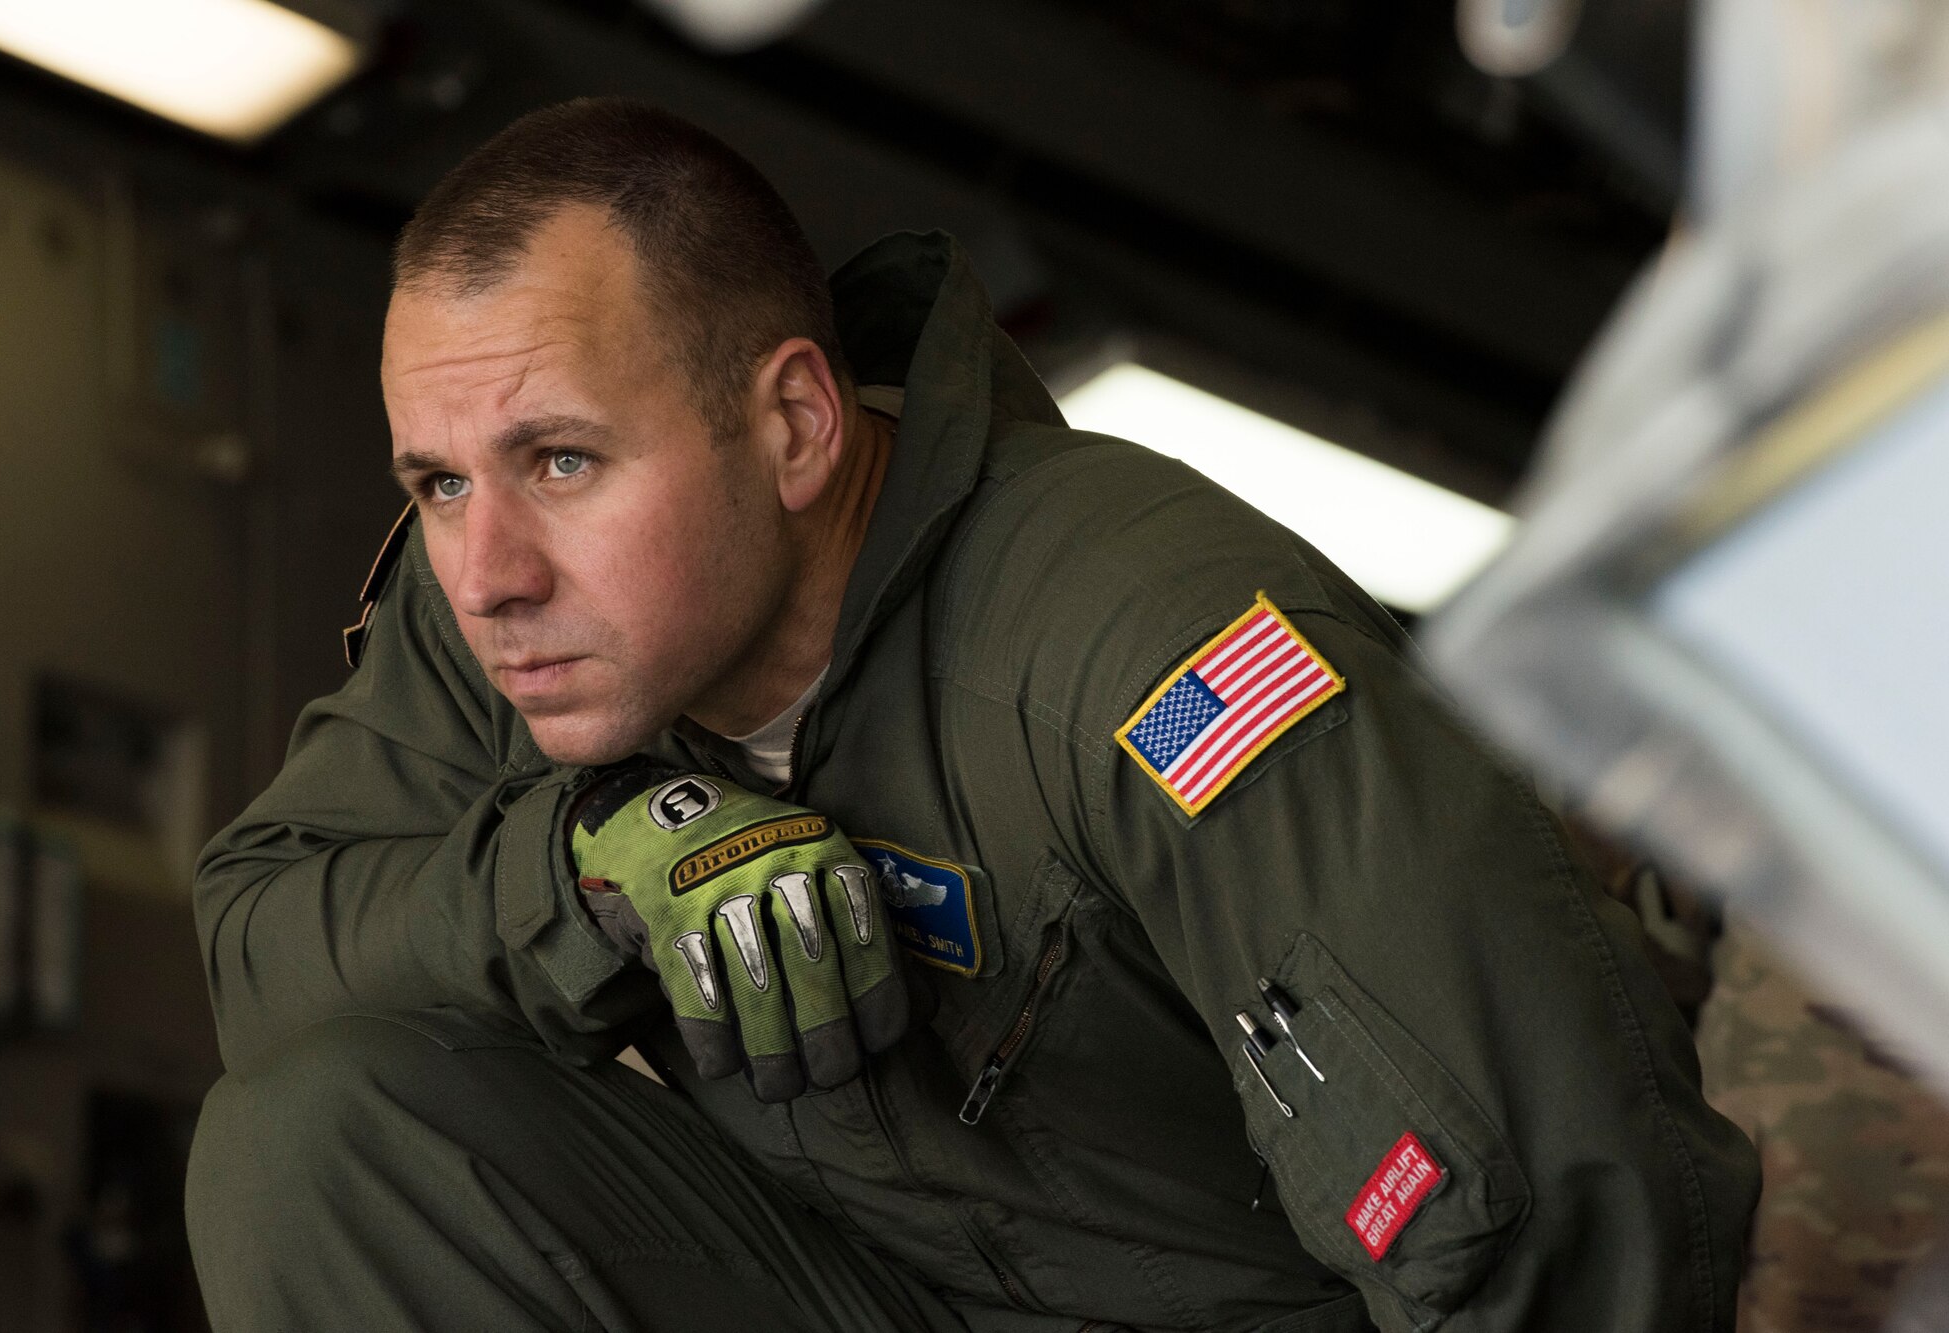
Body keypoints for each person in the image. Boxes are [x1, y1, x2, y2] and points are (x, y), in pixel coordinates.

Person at [184, 97, 1760, 1332]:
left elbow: (1562, 1218)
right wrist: (596, 863)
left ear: (795, 424)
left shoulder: (1148, 640)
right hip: (894, 1285)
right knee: (310, 1145)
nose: (486, 569)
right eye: (440, 481)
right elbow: (267, 944)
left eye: (565, 460)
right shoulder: (518, 629)